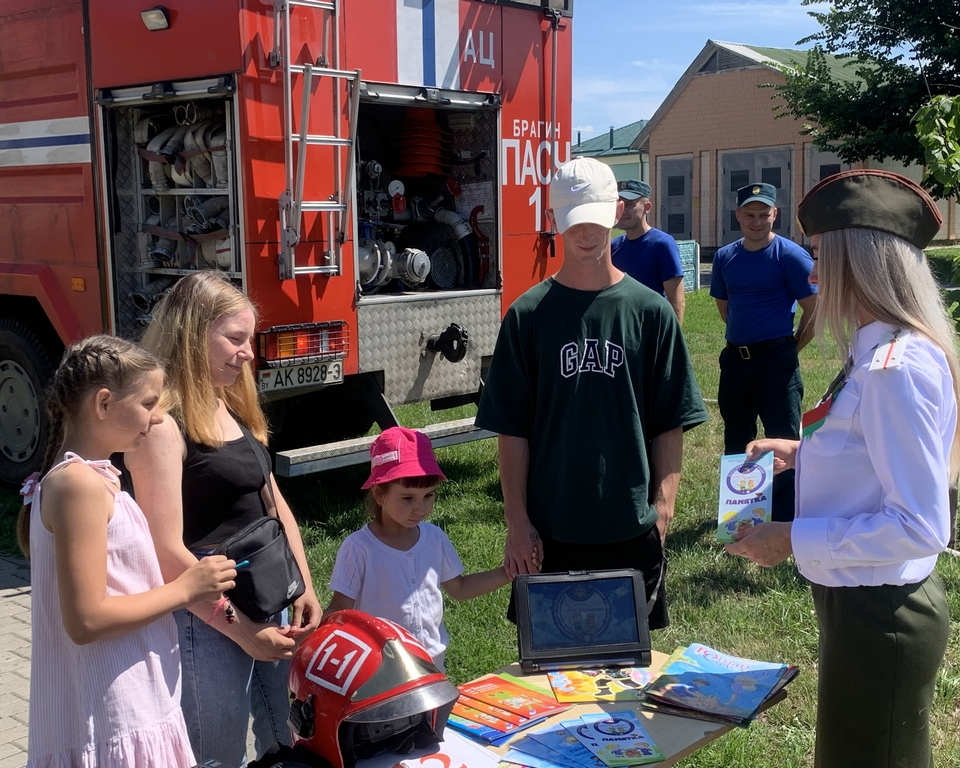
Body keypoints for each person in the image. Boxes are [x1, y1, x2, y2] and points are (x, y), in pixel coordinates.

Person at [725, 170, 960, 768]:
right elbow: (870, 458)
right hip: (862, 599)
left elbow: (919, 526)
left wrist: (791, 537)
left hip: (881, 611)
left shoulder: (893, 369)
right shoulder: (880, 354)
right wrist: (802, 453)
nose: (811, 276)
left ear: (858, 265)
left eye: (821, 258)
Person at [475, 157, 708, 630]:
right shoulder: (528, 316)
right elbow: (512, 430)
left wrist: (663, 509)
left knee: (628, 677)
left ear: (618, 211)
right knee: (550, 681)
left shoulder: (651, 313)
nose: (586, 234)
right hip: (550, 530)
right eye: (574, 221)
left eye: (596, 220)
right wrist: (517, 523)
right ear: (554, 221)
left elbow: (670, 419)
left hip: (629, 524)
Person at [122, 272, 323, 767]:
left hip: (269, 594)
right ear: (192, 335)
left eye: (249, 339)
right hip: (208, 619)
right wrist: (241, 632)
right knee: (216, 755)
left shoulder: (227, 402)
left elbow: (275, 504)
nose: (249, 352)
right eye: (235, 339)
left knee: (286, 739)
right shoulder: (162, 424)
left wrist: (304, 585)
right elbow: (168, 554)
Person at [18, 335, 237, 768]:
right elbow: (86, 620)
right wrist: (187, 589)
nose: (157, 419)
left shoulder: (92, 480)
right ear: (103, 403)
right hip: (112, 712)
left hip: (131, 703)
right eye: (148, 403)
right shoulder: (78, 484)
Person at [325, 426, 511, 671]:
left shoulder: (434, 538)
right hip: (380, 672)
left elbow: (461, 588)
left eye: (429, 496)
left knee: (437, 713)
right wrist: (304, 638)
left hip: (433, 668)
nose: (420, 509)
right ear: (379, 493)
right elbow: (339, 610)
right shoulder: (359, 549)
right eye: (407, 498)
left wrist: (508, 573)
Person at [709, 182, 817, 523]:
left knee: (782, 440)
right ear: (737, 215)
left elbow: (813, 309)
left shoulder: (790, 256)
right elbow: (725, 307)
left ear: (776, 214)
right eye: (749, 214)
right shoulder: (726, 256)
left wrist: (790, 346)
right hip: (736, 362)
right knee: (737, 438)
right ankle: (740, 516)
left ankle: (786, 520)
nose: (757, 221)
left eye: (764, 214)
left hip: (777, 362)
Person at [611, 178, 687, 323]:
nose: (623, 210)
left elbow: (677, 301)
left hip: (651, 331)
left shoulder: (662, 244)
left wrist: (672, 342)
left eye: (630, 204)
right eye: (619, 204)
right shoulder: (614, 246)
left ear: (647, 207)